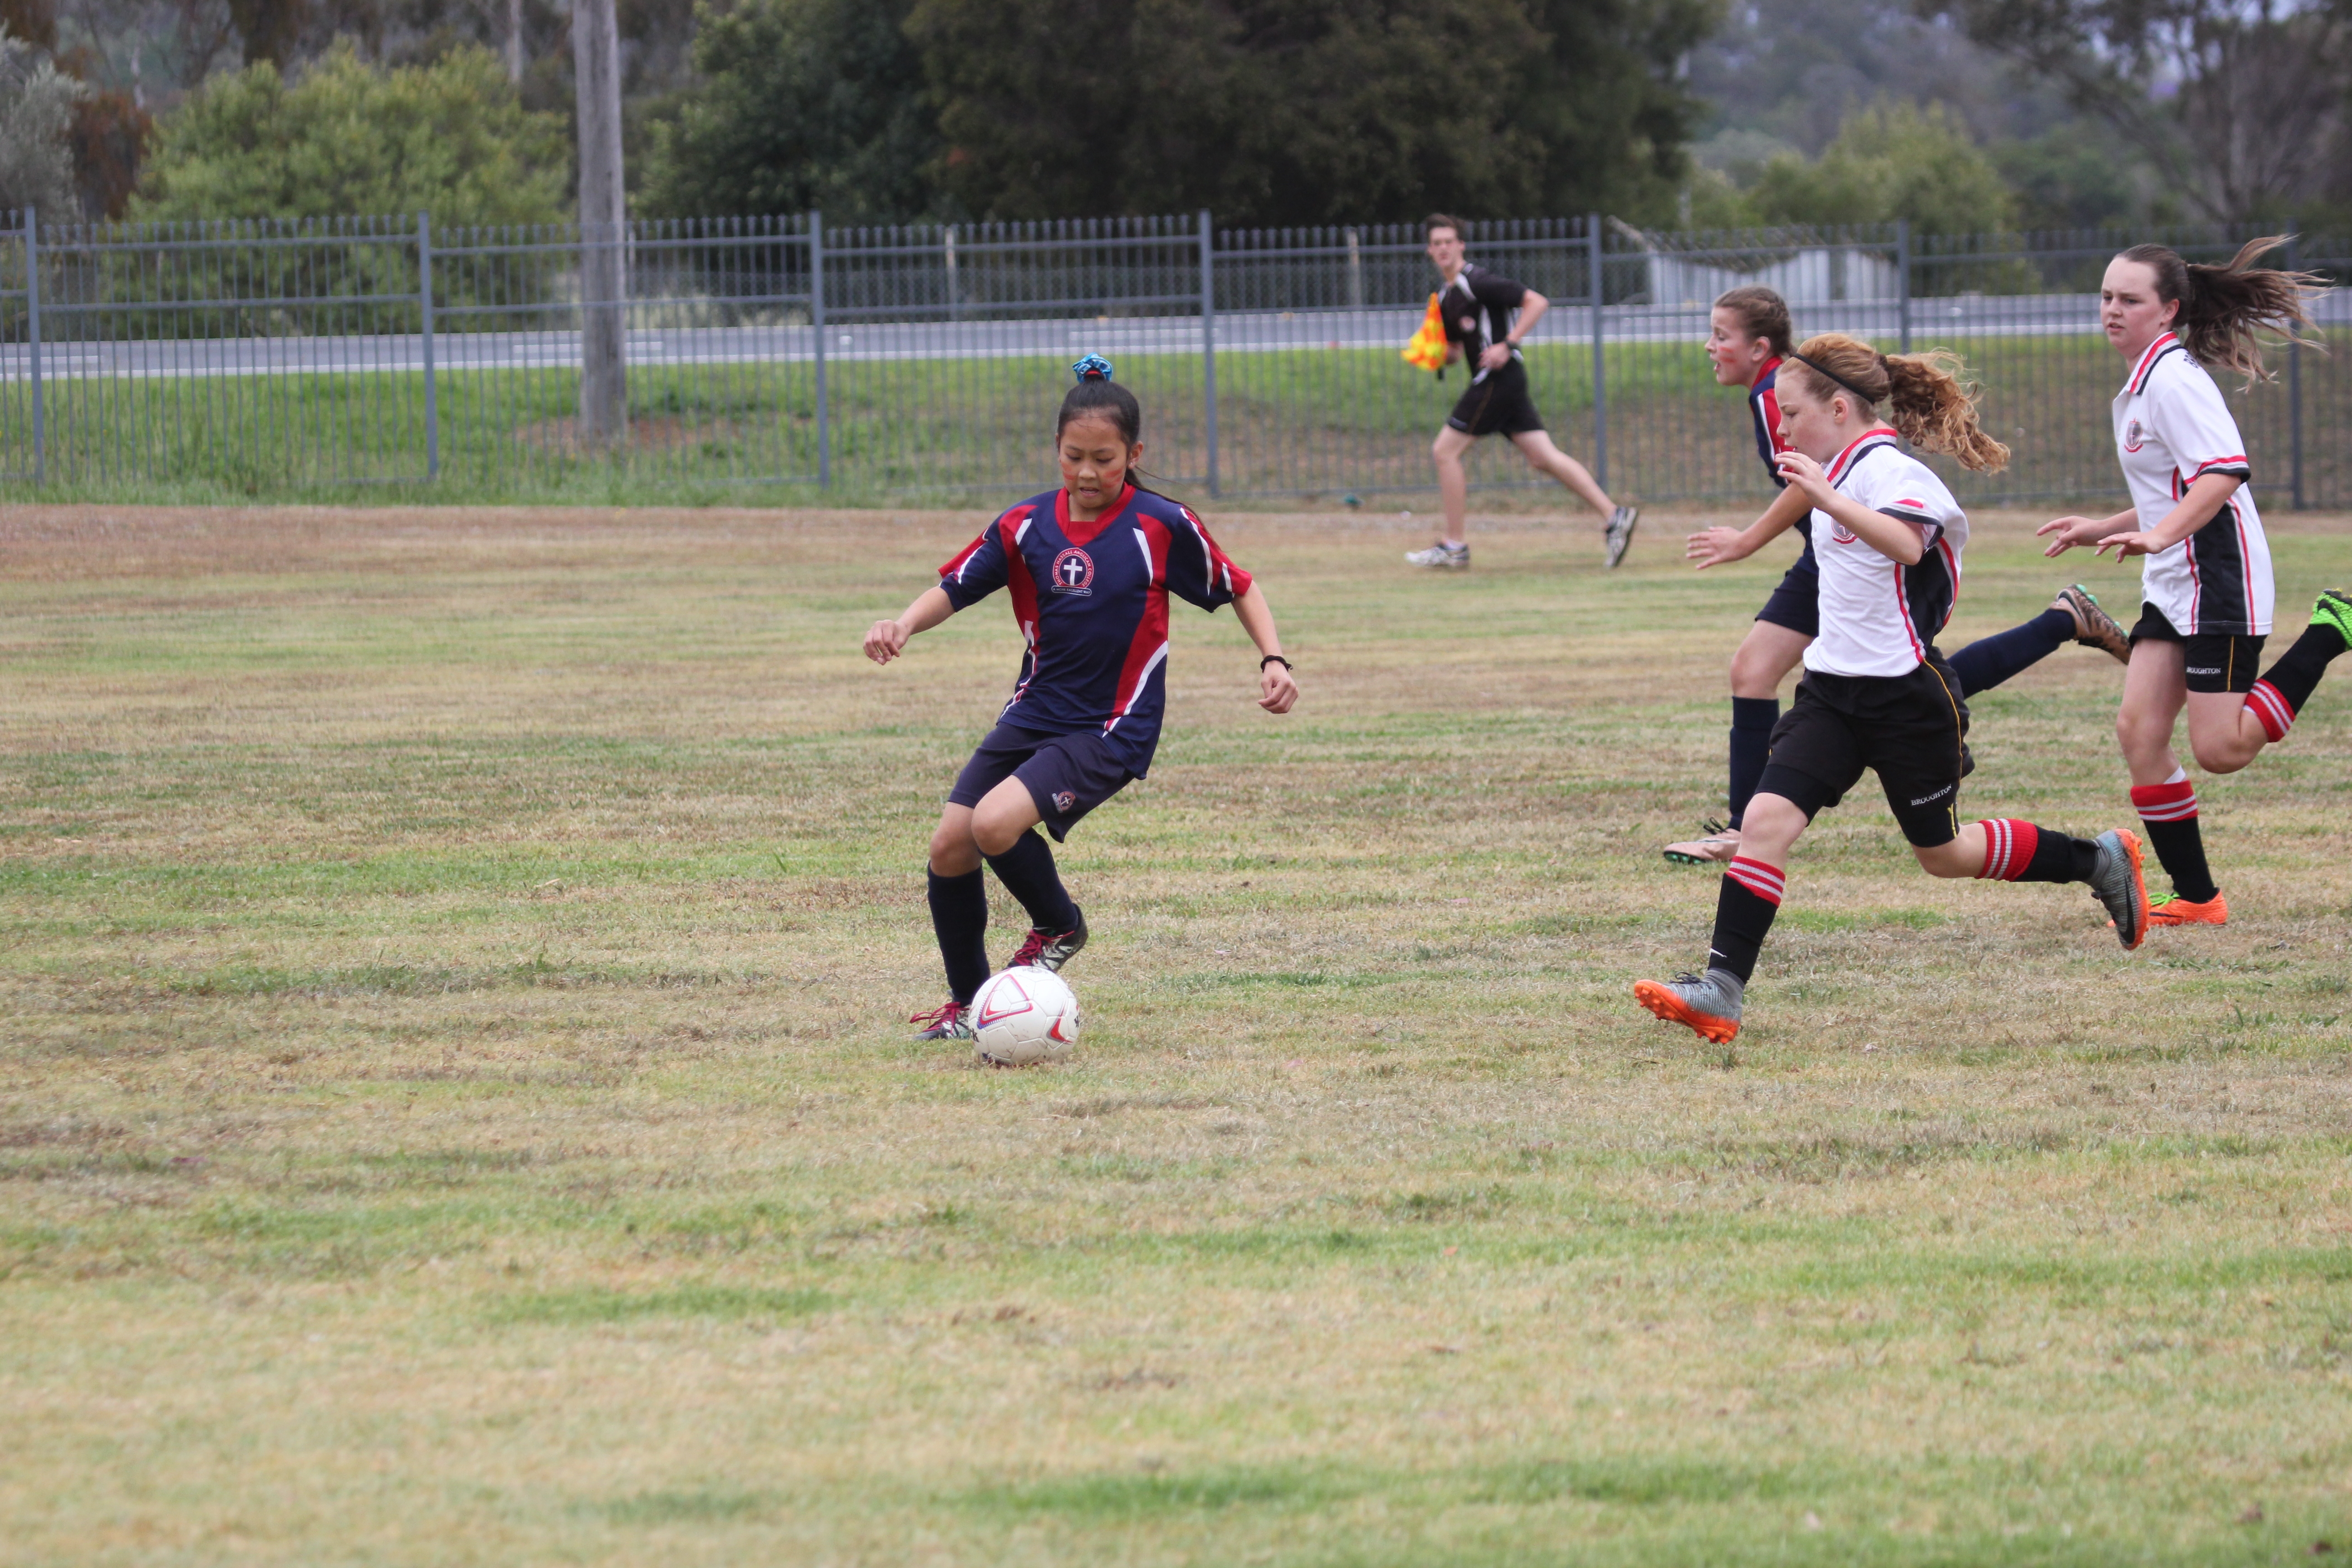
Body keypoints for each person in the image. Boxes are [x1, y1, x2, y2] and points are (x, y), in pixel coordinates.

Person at [1636, 333, 2151, 1045]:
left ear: (1840, 408)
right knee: (1765, 823)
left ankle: (2097, 859)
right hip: (1831, 697)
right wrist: (1762, 530)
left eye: (1790, 413)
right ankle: (1722, 990)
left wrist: (1824, 497)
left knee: (1945, 857)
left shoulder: (1892, 473)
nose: (1780, 427)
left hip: (1908, 701)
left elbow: (1908, 543)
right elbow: (1809, 496)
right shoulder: (1838, 465)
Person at [864, 357, 1299, 1043]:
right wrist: (902, 624)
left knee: (993, 825)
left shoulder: (1160, 526)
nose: (1089, 473)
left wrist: (1273, 658)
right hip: (1034, 711)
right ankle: (973, 1006)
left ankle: (1060, 924)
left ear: (1136, 454)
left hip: (1110, 727)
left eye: (1105, 458)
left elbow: (1239, 584)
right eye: (1074, 457)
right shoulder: (1026, 525)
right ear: (1056, 451)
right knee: (951, 844)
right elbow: (955, 586)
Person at [1663, 286, 2135, 866]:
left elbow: (1809, 486)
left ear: (1759, 346)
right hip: (1840, 551)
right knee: (1892, 673)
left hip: (1850, 550)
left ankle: (1744, 830)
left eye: (1721, 334)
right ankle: (2061, 621)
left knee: (1831, 673)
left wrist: (1747, 540)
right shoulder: (1783, 391)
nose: (1710, 346)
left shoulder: (1778, 391)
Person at [2038, 239, 2351, 928]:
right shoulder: (2145, 379)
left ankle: (2331, 630)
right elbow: (2172, 490)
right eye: (2107, 297)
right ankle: (2200, 898)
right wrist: (2106, 526)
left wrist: (2158, 534)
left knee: (2221, 749)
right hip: (2175, 577)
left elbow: (2223, 472)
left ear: (2168, 309)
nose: (2112, 311)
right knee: (2140, 732)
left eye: (2130, 300)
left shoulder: (2174, 380)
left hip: (2219, 574)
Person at [1405, 214, 1639, 572]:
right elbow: (1452, 354)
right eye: (1436, 243)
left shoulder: (1477, 281)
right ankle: (1614, 515)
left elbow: (1536, 301)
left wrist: (1507, 344)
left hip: (1499, 377)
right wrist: (1430, 352)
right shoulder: (1447, 297)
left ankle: (1454, 546)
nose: (1443, 249)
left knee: (1444, 452)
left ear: (1461, 245)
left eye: (1448, 241)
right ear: (1429, 250)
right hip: (1501, 382)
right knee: (1543, 457)